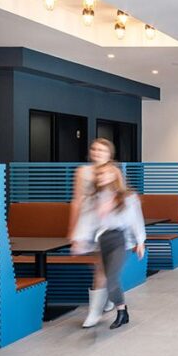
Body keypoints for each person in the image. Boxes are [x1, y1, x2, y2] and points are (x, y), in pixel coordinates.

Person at [71, 162, 146, 329]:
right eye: (100, 174)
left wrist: (140, 241)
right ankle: (122, 310)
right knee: (108, 278)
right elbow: (87, 221)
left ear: (114, 175)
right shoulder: (93, 198)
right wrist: (80, 240)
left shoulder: (127, 197)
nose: (101, 177)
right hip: (102, 241)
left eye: (106, 173)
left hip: (120, 241)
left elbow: (136, 220)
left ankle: (120, 311)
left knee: (111, 278)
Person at [68, 138, 126, 324]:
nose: (98, 153)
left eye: (102, 150)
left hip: (107, 225)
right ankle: (104, 299)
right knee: (98, 265)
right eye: (95, 149)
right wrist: (72, 228)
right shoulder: (82, 172)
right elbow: (76, 200)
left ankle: (95, 310)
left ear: (109, 154)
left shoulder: (114, 171)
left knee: (101, 266)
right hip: (88, 222)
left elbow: (122, 197)